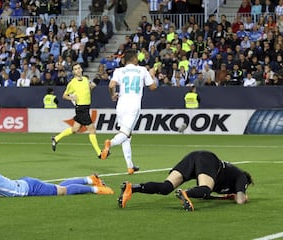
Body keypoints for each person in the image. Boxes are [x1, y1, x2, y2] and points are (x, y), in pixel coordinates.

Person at [118, 150, 253, 211]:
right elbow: (240, 200)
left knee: (166, 188)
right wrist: (243, 197)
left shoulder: (227, 182)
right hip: (208, 159)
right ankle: (184, 193)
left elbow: (203, 195)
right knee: (206, 188)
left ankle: (133, 188)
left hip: (193, 156)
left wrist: (223, 198)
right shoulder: (241, 176)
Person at [100, 49, 157, 174]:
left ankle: (130, 166)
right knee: (125, 134)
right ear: (135, 59)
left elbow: (111, 85)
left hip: (121, 105)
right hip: (133, 105)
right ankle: (110, 143)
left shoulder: (119, 71)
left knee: (126, 134)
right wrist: (152, 74)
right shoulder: (142, 70)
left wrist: (113, 95)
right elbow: (153, 87)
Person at [0, 159, 114, 199]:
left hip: (30, 188)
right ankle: (90, 179)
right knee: (57, 186)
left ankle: (97, 189)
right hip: (24, 183)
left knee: (62, 191)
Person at [51, 63, 102, 158]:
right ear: (73, 72)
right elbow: (64, 95)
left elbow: (88, 89)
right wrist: (72, 98)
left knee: (75, 129)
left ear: (81, 69)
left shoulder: (86, 80)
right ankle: (99, 153)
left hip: (86, 107)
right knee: (92, 130)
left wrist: (95, 83)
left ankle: (56, 138)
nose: (78, 70)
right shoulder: (72, 83)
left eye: (79, 68)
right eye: (75, 69)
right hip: (81, 108)